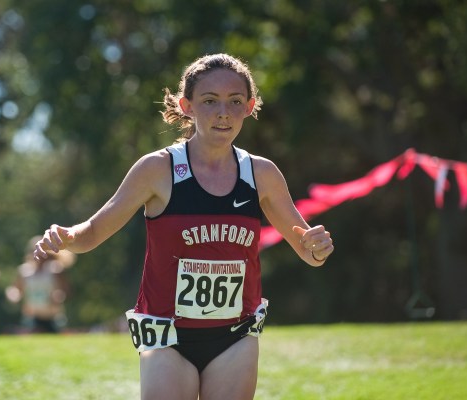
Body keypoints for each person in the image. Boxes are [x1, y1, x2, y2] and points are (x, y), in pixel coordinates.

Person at [34, 53, 334, 400]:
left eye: (235, 101)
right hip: (166, 336)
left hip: (235, 336)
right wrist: (67, 237)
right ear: (186, 105)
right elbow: (93, 233)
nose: (223, 112)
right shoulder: (157, 169)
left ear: (249, 106)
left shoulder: (262, 174)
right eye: (210, 101)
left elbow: (308, 251)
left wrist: (317, 248)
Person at [5, 236, 74, 334]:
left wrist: (59, 296)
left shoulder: (55, 270)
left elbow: (66, 291)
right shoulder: (24, 272)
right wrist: (13, 295)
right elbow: (15, 289)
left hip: (53, 317)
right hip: (32, 316)